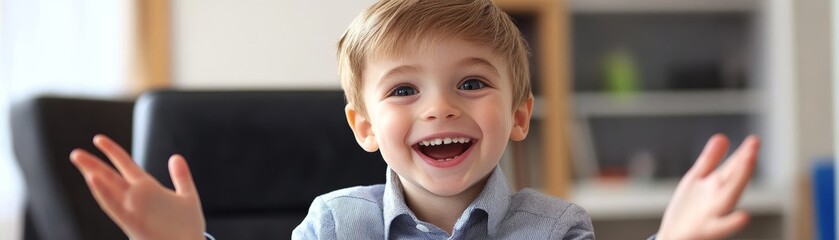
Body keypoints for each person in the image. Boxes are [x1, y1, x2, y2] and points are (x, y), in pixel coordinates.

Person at [69, 0, 761, 239]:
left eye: (470, 82)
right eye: (403, 91)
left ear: (519, 115)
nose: (439, 107)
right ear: (364, 127)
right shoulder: (334, 224)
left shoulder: (556, 228)